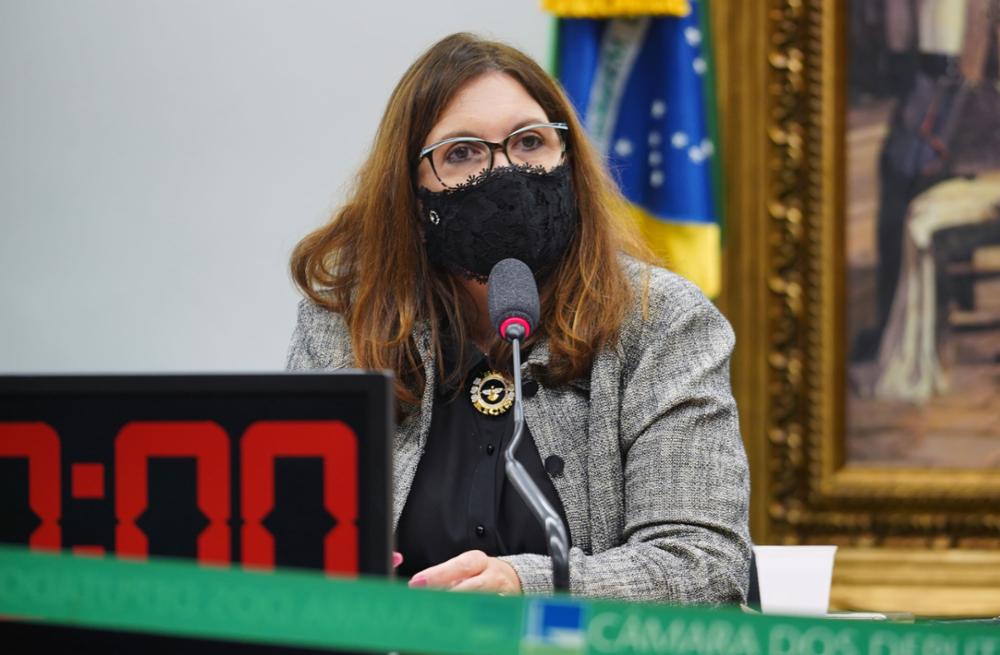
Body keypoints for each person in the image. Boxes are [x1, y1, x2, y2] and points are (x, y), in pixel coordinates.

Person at [286, 32, 750, 603]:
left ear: (569, 160)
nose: (506, 172)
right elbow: (296, 536)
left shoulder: (662, 321)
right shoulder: (346, 322)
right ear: (410, 188)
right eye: (461, 152)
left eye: (530, 142)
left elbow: (704, 565)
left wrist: (525, 584)